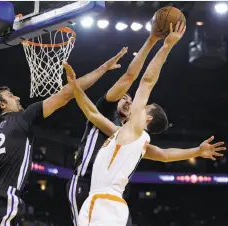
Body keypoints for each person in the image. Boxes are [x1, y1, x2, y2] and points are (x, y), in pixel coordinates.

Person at [65, 22, 226, 226]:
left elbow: (147, 81)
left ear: (147, 118)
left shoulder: (134, 130)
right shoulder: (132, 140)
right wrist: (196, 151)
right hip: (116, 206)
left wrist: (167, 46)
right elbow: (164, 155)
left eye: (144, 106)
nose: (136, 104)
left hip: (101, 203)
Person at [0, 49, 126, 225]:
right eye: (11, 96)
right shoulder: (22, 117)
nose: (18, 97)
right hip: (2, 196)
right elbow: (67, 93)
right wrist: (103, 68)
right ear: (2, 104)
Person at [67, 25, 162, 226]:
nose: (128, 102)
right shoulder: (105, 108)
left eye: (131, 101)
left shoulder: (130, 133)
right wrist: (151, 41)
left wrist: (196, 151)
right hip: (85, 181)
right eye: (124, 98)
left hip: (110, 194)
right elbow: (130, 77)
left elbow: (161, 154)